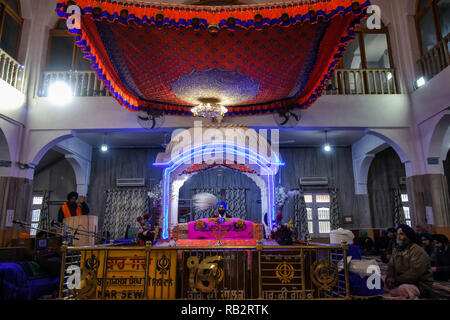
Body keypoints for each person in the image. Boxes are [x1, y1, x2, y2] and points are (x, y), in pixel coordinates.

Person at [384, 224, 434, 300]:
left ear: (408, 236)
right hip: (399, 281)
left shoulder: (417, 251)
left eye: (401, 234)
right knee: (378, 280)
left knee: (403, 289)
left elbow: (415, 273)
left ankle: (395, 294)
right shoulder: (396, 250)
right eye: (397, 234)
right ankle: (394, 294)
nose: (398, 237)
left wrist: (396, 280)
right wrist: (390, 277)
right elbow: (391, 265)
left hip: (419, 284)